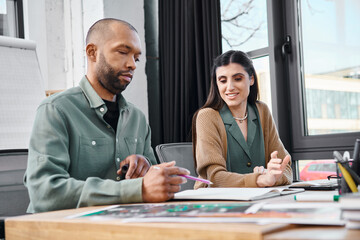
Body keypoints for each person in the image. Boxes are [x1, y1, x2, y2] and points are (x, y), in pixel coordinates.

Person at [24, 18, 189, 213]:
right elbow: (45, 192)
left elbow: (151, 189)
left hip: (121, 226)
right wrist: (137, 189)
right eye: (122, 52)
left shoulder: (137, 118)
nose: (132, 65)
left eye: (136, 58)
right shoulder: (55, 110)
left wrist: (146, 172)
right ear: (92, 52)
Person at [192, 50, 292, 189]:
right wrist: (259, 180)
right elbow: (214, 178)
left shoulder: (262, 111)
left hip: (256, 200)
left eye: (237, 78)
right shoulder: (207, 116)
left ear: (251, 79)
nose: (230, 87)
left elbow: (285, 169)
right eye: (222, 80)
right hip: (214, 202)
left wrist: (272, 176)